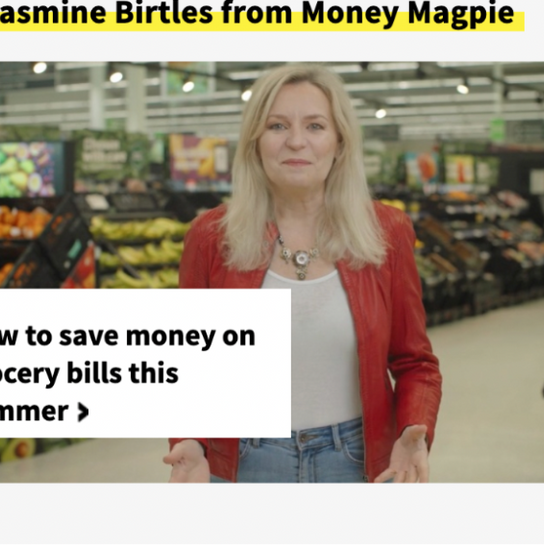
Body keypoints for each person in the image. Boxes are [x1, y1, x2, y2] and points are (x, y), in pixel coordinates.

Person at [162, 64, 442, 483]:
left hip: (356, 460)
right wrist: (188, 440)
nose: (296, 141)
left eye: (315, 125)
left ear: (339, 141)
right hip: (244, 462)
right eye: (277, 125)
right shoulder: (210, 238)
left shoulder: (386, 233)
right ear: (255, 141)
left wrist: (411, 431)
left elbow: (415, 362)